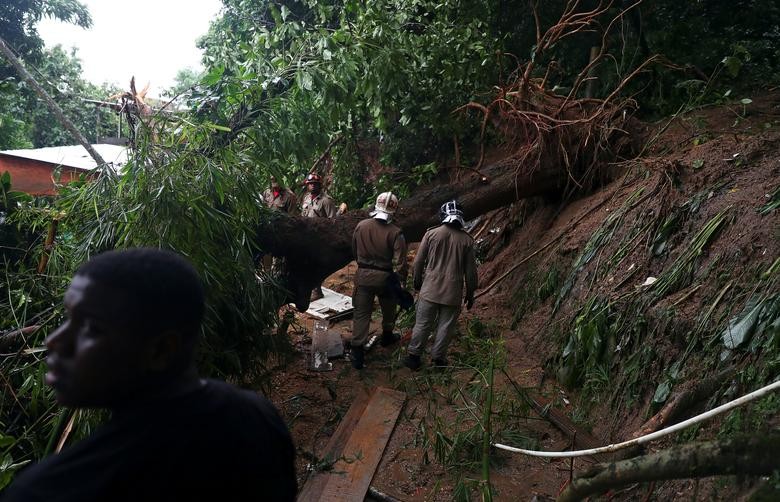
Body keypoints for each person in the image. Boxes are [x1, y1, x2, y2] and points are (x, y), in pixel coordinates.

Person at [2, 248, 297, 502]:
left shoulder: (50, 491)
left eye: (91, 327)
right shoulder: (258, 420)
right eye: (68, 319)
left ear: (159, 350)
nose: (54, 341)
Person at [404, 200, 478, 371]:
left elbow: (418, 262)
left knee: (422, 323)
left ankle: (414, 357)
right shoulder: (467, 241)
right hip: (452, 293)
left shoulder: (431, 234)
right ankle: (438, 360)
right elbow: (471, 273)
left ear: (443, 215)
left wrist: (417, 281)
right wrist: (470, 293)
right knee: (445, 327)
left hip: (430, 289)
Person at [350, 192, 408, 370]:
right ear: (394, 210)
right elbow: (400, 263)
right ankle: (387, 335)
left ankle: (357, 354)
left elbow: (354, 249)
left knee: (361, 314)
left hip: (363, 276)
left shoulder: (361, 226)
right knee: (389, 309)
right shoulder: (396, 232)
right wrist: (401, 283)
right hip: (385, 278)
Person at [301, 173, 337, 301]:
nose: (312, 186)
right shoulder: (306, 198)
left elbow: (333, 221)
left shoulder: (326, 201)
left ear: (319, 186)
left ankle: (317, 290)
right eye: (310, 184)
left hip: (320, 238)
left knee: (315, 264)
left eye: (315, 184)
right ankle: (309, 288)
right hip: (307, 236)